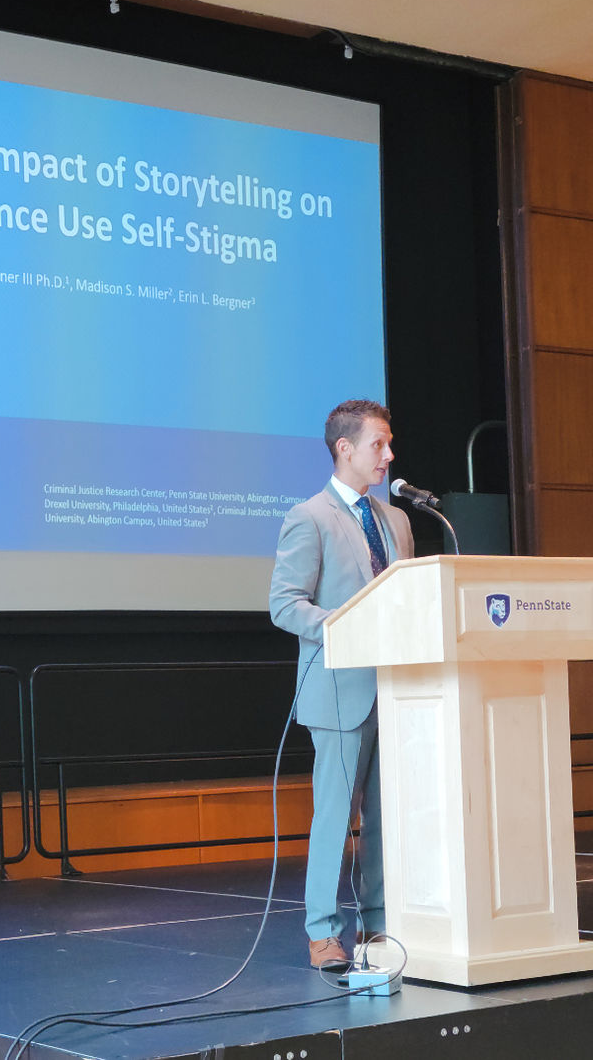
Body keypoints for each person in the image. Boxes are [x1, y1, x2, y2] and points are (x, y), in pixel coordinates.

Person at [269, 399, 414, 971]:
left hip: (400, 691)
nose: (389, 454)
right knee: (336, 815)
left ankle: (379, 928)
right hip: (338, 691)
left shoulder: (396, 520)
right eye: (379, 444)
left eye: (390, 443)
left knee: (386, 816)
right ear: (344, 449)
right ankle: (323, 933)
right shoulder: (310, 517)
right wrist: (341, 627)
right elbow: (284, 605)